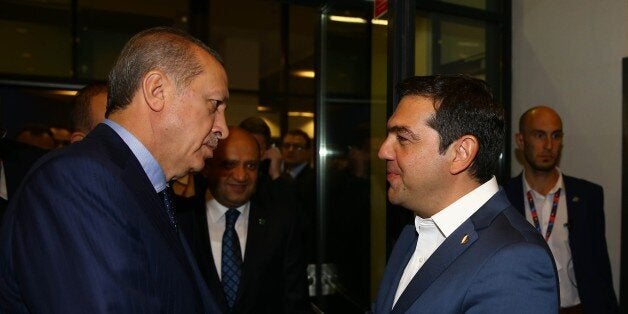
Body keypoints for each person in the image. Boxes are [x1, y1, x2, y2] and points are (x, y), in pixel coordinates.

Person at [0, 26, 228, 313]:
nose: (223, 128)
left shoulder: (142, 185)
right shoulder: (78, 180)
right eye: (215, 105)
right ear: (156, 91)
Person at [373, 75, 558, 313]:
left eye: (403, 138)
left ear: (461, 152)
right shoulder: (414, 230)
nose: (383, 151)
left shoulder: (514, 260)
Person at [177, 126, 310, 313]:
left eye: (250, 166)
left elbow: (295, 302)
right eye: (229, 164)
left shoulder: (281, 223)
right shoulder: (180, 221)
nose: (241, 176)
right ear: (207, 168)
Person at [503, 106, 619, 314]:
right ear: (520, 141)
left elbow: (600, 269)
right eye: (539, 135)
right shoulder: (503, 198)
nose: (548, 145)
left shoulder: (587, 196)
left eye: (556, 136)